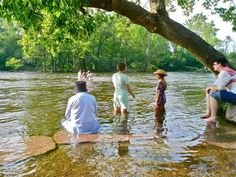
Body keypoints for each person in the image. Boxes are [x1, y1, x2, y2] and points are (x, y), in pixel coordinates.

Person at [201, 57, 236, 122]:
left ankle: (213, 117)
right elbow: (215, 85)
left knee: (213, 94)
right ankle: (208, 112)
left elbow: (220, 88)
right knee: (210, 91)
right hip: (233, 94)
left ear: (219, 64)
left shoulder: (225, 72)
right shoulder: (223, 72)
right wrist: (209, 88)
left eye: (214, 64)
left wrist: (211, 88)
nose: (213, 66)